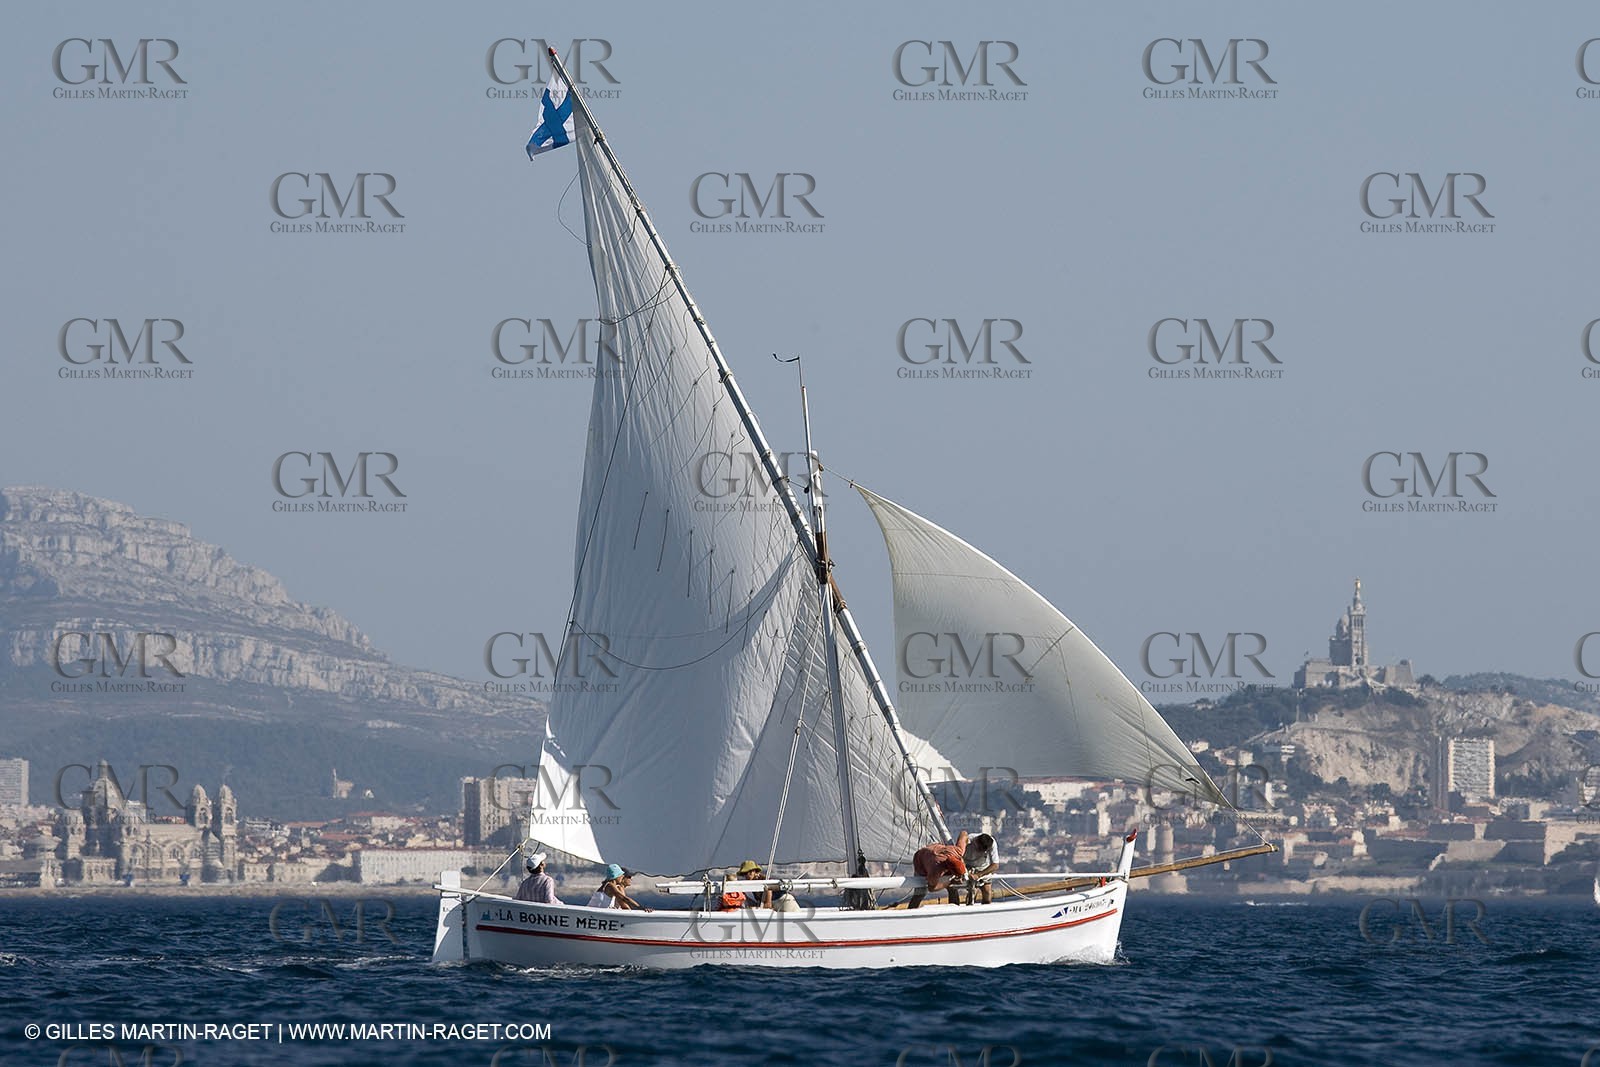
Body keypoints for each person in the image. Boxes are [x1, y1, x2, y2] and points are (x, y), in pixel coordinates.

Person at [906, 830, 968, 909]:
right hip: (921, 861)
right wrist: (949, 882)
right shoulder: (936, 869)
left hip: (935, 849)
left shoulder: (958, 851)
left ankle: (954, 910)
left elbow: (964, 833)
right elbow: (931, 888)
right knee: (920, 892)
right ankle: (911, 911)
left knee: (953, 888)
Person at [963, 833, 999, 905]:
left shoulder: (992, 843)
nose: (982, 851)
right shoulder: (967, 840)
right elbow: (959, 857)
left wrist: (979, 874)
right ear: (976, 841)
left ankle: (986, 908)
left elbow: (995, 865)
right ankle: (969, 907)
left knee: (987, 891)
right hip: (968, 865)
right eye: (980, 849)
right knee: (973, 891)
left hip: (983, 867)